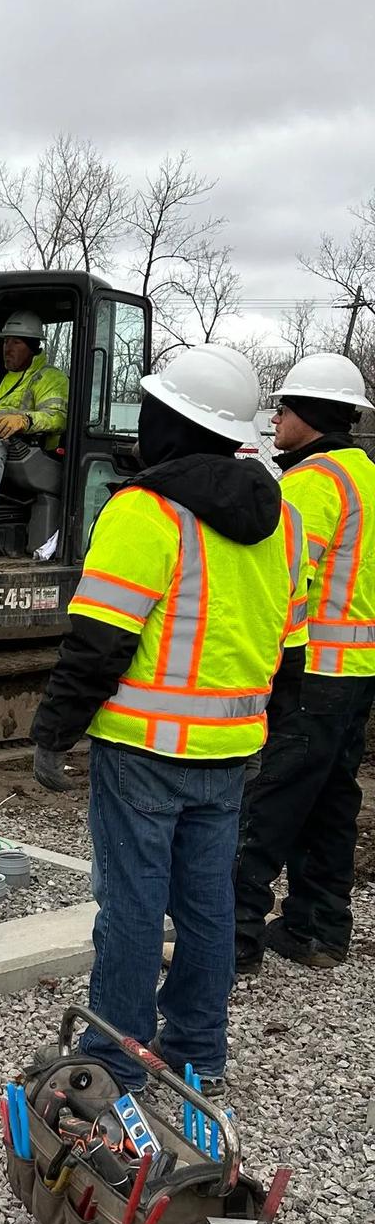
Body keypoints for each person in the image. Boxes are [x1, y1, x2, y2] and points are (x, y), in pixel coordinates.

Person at [30, 343, 305, 1097]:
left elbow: (99, 642)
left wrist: (53, 731)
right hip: (231, 749)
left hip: (143, 749)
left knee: (132, 907)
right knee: (207, 904)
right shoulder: (282, 519)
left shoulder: (144, 511)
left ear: (171, 424)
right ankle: (197, 1054)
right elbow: (290, 642)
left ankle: (116, 1063)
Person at [235, 353, 375, 974]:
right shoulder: (365, 474)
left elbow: (283, 577)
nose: (275, 421)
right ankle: (317, 930)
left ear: (309, 416)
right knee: (330, 801)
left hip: (310, 670)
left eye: (283, 410)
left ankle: (232, 939)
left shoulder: (314, 482)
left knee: (268, 803)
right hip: (356, 673)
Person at [0, 311, 69, 557]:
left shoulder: (49, 378)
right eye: (6, 341)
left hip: (33, 453)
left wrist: (25, 420)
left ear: (33, 346)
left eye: (16, 342)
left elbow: (58, 417)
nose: (8, 348)